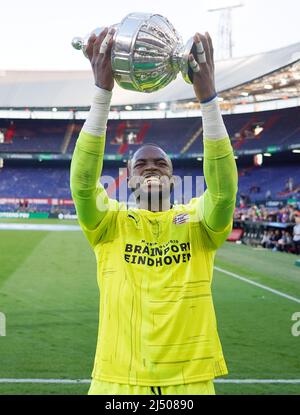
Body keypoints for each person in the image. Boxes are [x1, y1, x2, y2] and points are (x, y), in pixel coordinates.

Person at [70, 28, 238, 395]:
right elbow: (82, 184)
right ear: (128, 180)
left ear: (174, 178)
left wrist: (208, 99)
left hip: (190, 383)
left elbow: (224, 192)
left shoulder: (199, 223)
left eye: (160, 164)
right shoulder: (109, 224)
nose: (150, 167)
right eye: (141, 164)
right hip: (116, 382)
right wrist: (102, 93)